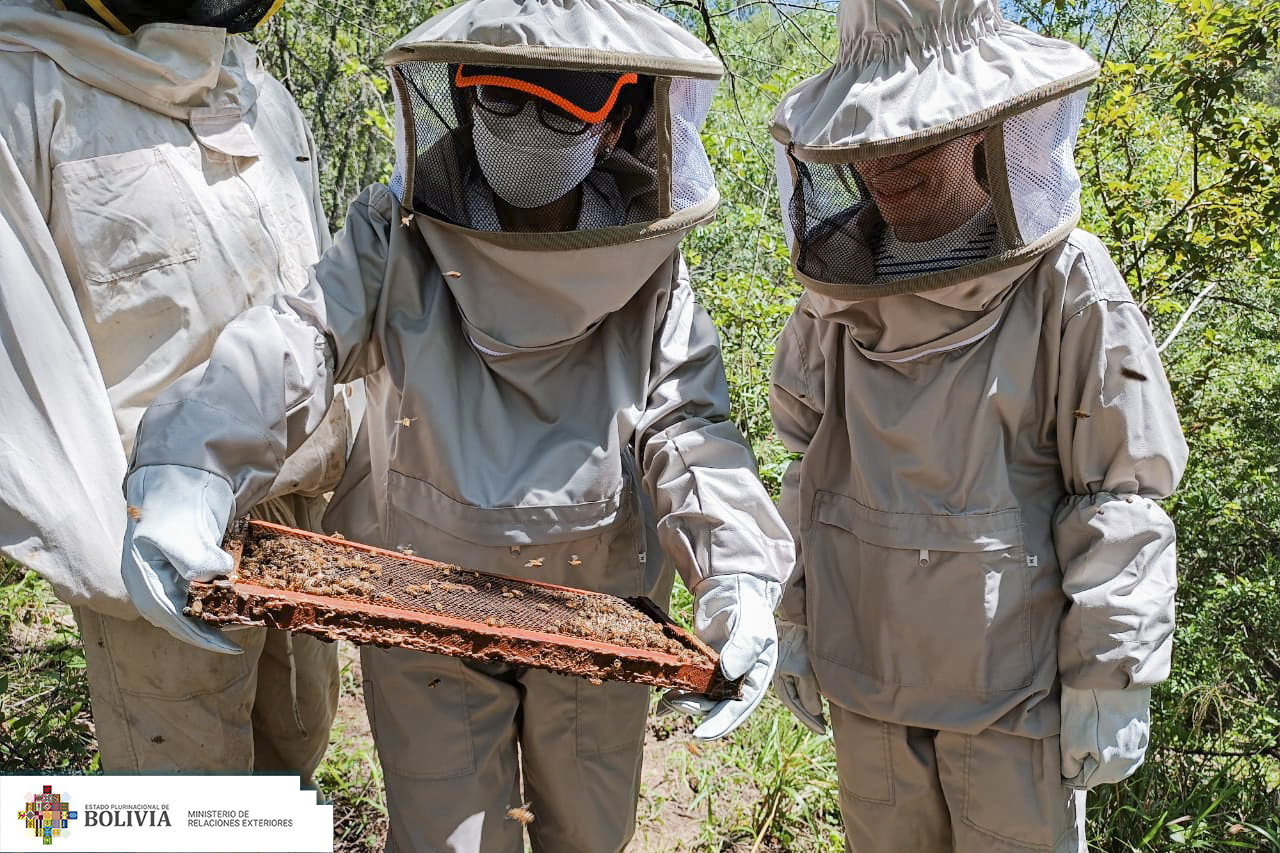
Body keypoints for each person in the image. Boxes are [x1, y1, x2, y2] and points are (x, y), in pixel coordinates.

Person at [119, 0, 794, 851]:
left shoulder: (654, 268)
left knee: (587, 836)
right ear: (461, 89)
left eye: (558, 105)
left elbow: (687, 425)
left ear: (617, 113)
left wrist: (736, 573)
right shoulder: (393, 228)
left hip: (600, 599)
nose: (521, 126)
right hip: (419, 590)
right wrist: (191, 464)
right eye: (499, 98)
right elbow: (301, 338)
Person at [767, 0, 1189, 850]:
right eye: (871, 139)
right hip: (868, 683)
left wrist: (1112, 673)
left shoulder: (1069, 279)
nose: (883, 165)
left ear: (984, 130)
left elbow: (1121, 484)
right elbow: (807, 466)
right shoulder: (836, 286)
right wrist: (792, 618)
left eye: (914, 138)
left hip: (1013, 704)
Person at [0, 0, 350, 780]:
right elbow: (18, 352)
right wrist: (107, 548)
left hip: (298, 518)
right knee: (191, 805)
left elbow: (318, 293)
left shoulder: (258, 92)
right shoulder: (21, 87)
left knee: (295, 752)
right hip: (148, 536)